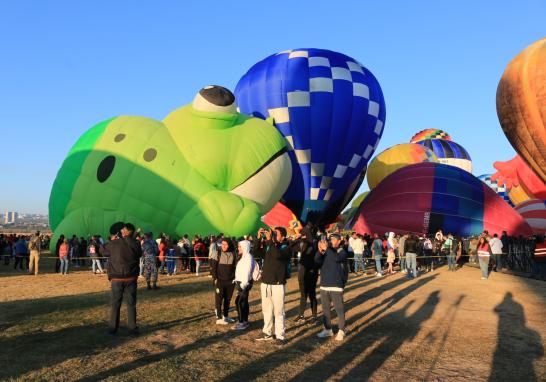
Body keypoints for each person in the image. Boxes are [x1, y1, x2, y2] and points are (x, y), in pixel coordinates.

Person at [103, 223, 142, 335]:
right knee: (131, 304)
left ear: (126, 231)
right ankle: (132, 328)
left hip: (116, 278)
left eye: (123, 230)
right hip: (130, 277)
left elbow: (104, 251)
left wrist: (111, 240)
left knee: (115, 303)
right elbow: (139, 254)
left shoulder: (114, 243)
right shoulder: (136, 243)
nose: (122, 231)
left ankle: (112, 328)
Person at [254, 227, 290, 345]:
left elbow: (277, 255)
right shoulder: (270, 245)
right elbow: (256, 253)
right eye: (273, 233)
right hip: (266, 283)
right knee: (266, 310)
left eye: (276, 234)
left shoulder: (286, 247)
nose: (274, 235)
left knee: (279, 311)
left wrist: (270, 240)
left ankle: (280, 336)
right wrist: (258, 239)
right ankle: (267, 333)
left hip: (278, 284)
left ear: (283, 237)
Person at [316, 233, 349, 341]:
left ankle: (341, 330)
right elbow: (317, 262)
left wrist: (327, 249)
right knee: (326, 309)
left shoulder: (341, 251)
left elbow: (337, 259)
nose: (331, 241)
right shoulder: (327, 251)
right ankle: (327, 329)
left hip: (336, 285)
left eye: (333, 239)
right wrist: (320, 251)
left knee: (339, 309)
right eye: (330, 239)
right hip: (324, 284)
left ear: (339, 241)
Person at [293, 224, 319, 323]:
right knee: (303, 294)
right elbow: (292, 246)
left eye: (304, 234)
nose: (302, 235)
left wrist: (306, 229)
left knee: (312, 294)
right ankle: (301, 315)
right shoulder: (302, 243)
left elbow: (311, 240)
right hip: (302, 272)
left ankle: (314, 316)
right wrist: (297, 238)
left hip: (312, 272)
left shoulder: (314, 242)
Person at [210, 238, 237, 325]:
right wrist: (215, 278)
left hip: (230, 281)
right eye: (222, 244)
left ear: (229, 245)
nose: (224, 246)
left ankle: (225, 316)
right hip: (220, 281)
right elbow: (213, 267)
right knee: (218, 299)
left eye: (226, 244)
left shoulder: (234, 254)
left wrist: (234, 278)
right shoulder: (217, 253)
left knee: (227, 300)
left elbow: (235, 267)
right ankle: (218, 317)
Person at [233, 239, 255, 330]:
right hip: (241, 283)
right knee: (244, 302)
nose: (238, 248)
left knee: (239, 302)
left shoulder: (248, 257)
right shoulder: (243, 256)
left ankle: (241, 322)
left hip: (244, 284)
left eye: (239, 246)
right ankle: (244, 321)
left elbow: (247, 271)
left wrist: (243, 284)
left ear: (244, 247)